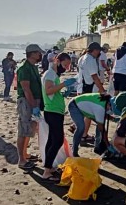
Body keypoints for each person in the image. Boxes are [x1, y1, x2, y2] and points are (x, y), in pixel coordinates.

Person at [41, 52, 76, 182]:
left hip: (55, 110)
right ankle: (46, 171)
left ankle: (48, 167)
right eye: (65, 65)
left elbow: (53, 92)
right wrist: (64, 84)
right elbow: (48, 90)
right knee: (57, 140)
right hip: (52, 111)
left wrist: (62, 93)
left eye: (68, 66)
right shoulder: (50, 73)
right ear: (57, 61)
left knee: (52, 140)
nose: (66, 68)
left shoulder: (53, 74)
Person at [16, 44, 45, 169]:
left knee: (29, 130)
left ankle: (25, 154)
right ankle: (21, 160)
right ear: (32, 54)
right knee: (23, 130)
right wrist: (34, 106)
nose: (40, 55)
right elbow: (26, 89)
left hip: (33, 102)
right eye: (39, 53)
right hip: (27, 102)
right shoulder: (24, 68)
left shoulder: (33, 67)